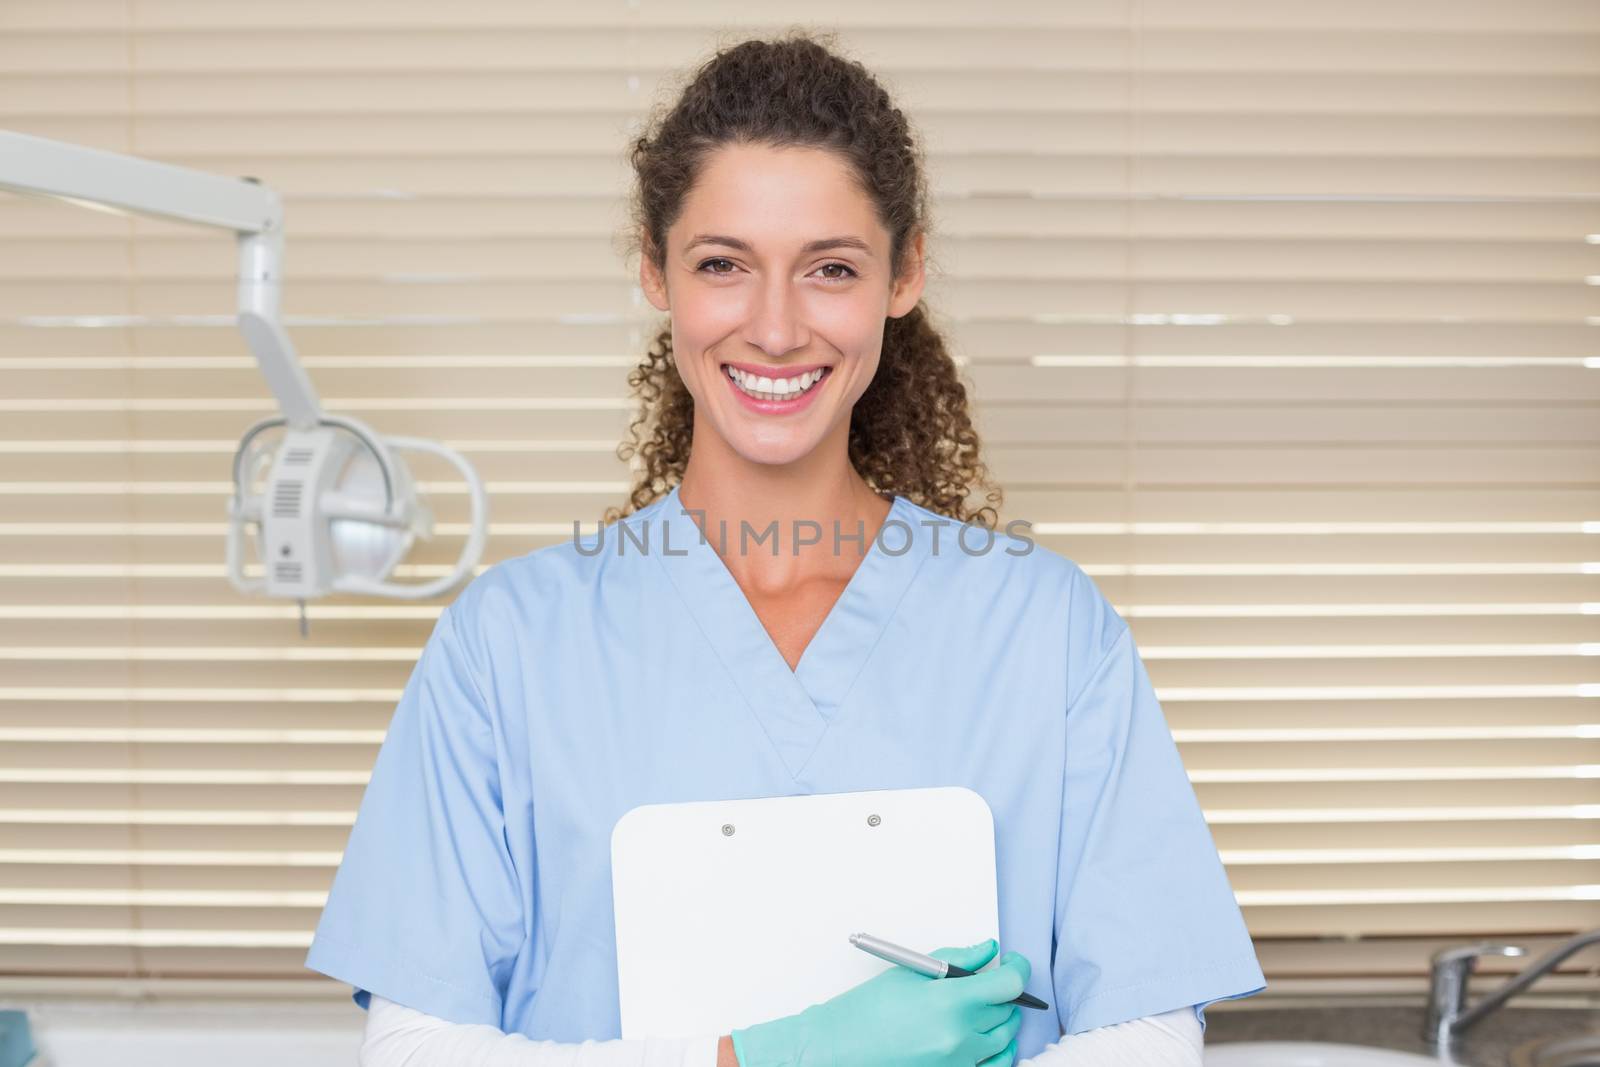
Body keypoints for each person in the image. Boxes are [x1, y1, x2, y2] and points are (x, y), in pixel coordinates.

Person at [304, 28, 1265, 1066]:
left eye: (830, 268)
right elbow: (416, 1049)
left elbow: (1149, 1026)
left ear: (904, 276)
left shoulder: (1046, 629)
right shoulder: (506, 645)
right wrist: (758, 1057)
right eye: (723, 264)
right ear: (654, 272)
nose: (773, 327)